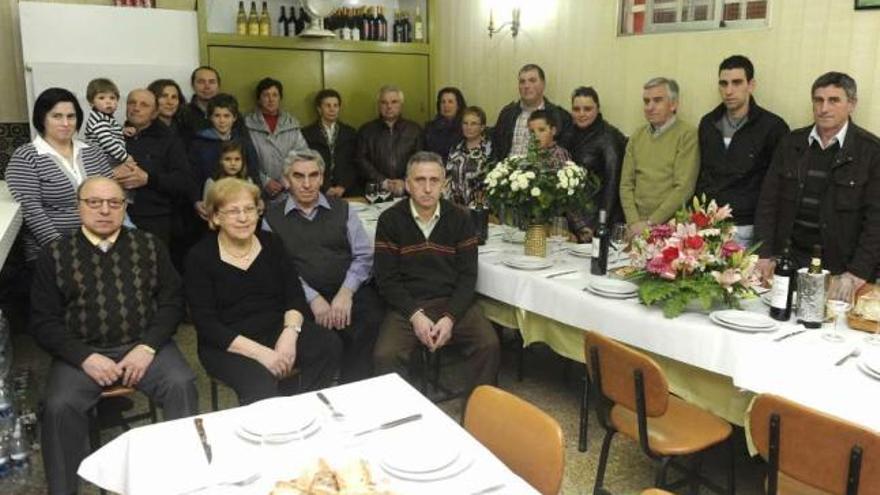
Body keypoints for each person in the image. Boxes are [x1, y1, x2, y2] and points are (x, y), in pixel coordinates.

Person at [30, 176, 198, 495]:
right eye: (94, 202)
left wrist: (147, 347)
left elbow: (173, 301)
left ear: (124, 207)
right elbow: (43, 322)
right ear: (78, 207)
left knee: (182, 384)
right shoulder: (53, 254)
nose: (104, 210)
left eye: (114, 203)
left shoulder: (149, 245)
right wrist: (84, 357)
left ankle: (185, 480)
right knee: (58, 405)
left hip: (144, 346)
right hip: (83, 353)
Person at [185, 178, 341, 405]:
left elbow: (295, 296)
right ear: (216, 217)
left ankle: (299, 409)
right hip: (227, 344)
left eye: (249, 209)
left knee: (328, 346)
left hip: (275, 329)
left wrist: (289, 335)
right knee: (260, 384)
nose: (243, 217)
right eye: (233, 211)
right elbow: (207, 324)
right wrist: (262, 354)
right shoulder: (199, 257)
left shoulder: (272, 243)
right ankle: (273, 429)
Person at [373, 151, 500, 396]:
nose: (428, 188)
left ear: (444, 184)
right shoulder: (390, 220)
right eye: (420, 180)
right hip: (408, 305)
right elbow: (386, 279)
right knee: (384, 355)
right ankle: (397, 418)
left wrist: (450, 317)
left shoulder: (460, 218)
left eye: (434, 180)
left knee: (489, 344)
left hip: (451, 302)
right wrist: (415, 316)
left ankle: (479, 416)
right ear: (408, 184)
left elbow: (467, 276)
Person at [755, 72, 880, 301]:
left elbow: (876, 221)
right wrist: (763, 254)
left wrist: (858, 272)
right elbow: (768, 201)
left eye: (834, 100)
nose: (824, 108)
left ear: (851, 104)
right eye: (818, 100)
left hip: (840, 272)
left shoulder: (871, 151)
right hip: (787, 263)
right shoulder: (791, 143)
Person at [264, 150, 383, 382]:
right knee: (319, 342)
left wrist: (346, 292)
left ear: (322, 178)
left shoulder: (343, 209)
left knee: (371, 319)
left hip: (346, 290)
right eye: (298, 176)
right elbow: (277, 271)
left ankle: (352, 390)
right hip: (298, 297)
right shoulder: (272, 218)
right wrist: (312, 298)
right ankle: (314, 397)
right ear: (286, 180)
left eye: (313, 175)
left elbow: (363, 256)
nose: (307, 184)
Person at [6, 87, 113, 264]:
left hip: (101, 244)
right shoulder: (26, 156)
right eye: (56, 116)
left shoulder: (93, 151)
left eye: (71, 116)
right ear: (42, 119)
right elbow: (32, 211)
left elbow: (113, 197)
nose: (65, 123)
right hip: (53, 252)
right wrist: (65, 251)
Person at [696, 55, 789, 247]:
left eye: (737, 83)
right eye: (723, 84)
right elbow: (702, 172)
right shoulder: (708, 123)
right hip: (707, 223)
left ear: (751, 85)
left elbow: (777, 185)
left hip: (747, 226)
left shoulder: (773, 127)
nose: (729, 91)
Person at [620, 77, 699, 236]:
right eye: (646, 101)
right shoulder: (637, 135)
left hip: (671, 227)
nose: (650, 107)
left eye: (657, 100)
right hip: (635, 226)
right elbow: (626, 184)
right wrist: (634, 222)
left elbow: (684, 188)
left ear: (673, 104)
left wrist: (650, 223)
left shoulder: (687, 135)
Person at [118, 89, 194, 245]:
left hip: (154, 221)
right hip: (115, 217)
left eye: (144, 105)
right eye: (132, 103)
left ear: (154, 113)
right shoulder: (114, 136)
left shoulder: (169, 140)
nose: (136, 108)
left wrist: (149, 179)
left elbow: (185, 181)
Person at [561, 86, 627, 232]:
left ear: (598, 109)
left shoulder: (609, 138)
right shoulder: (568, 133)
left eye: (587, 109)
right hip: (571, 217)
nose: (581, 114)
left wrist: (600, 225)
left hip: (596, 220)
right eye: (576, 109)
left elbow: (613, 185)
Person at [244, 77, 309, 202]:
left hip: (288, 189)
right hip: (256, 191)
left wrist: (288, 177)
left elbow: (303, 155)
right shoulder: (247, 124)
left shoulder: (292, 123)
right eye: (266, 95)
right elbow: (243, 159)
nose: (271, 99)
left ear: (280, 98)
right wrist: (264, 180)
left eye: (275, 95)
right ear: (259, 99)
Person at [492, 63, 572, 161]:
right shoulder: (507, 114)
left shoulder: (559, 116)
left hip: (543, 173)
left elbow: (563, 153)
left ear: (543, 84)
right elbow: (496, 148)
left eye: (532, 81)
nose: (526, 86)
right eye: (522, 82)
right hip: (507, 171)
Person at [356, 85, 423, 197]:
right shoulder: (366, 130)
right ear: (378, 105)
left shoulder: (415, 130)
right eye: (384, 102)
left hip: (408, 190)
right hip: (376, 192)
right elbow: (360, 160)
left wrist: (404, 181)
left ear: (401, 105)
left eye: (394, 102)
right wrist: (383, 182)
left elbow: (420, 159)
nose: (389, 106)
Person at [189, 93, 262, 195]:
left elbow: (254, 171)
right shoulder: (199, 143)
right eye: (217, 116)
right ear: (210, 117)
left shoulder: (243, 142)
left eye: (226, 116)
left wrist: (260, 198)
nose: (222, 121)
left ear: (234, 117)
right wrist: (196, 200)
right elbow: (193, 176)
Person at [302, 89, 360, 198]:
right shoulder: (307, 134)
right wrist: (325, 187)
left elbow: (355, 163)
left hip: (347, 190)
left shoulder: (350, 132)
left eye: (335, 105)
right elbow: (306, 164)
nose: (332, 109)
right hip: (317, 190)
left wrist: (343, 186)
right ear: (319, 109)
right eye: (327, 105)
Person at [445, 106, 493, 206]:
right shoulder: (455, 149)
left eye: (473, 124)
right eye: (465, 123)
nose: (468, 127)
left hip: (480, 207)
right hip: (455, 207)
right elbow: (448, 178)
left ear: (482, 127)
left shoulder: (490, 150)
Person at [83, 78, 135, 167]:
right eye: (101, 98)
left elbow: (110, 130)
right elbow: (108, 142)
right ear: (91, 103)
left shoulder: (104, 117)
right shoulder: (99, 120)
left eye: (112, 98)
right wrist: (125, 157)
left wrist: (122, 130)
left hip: (109, 157)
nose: (108, 102)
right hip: (104, 159)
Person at [199, 141, 252, 211]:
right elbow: (208, 209)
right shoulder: (212, 183)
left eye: (237, 159)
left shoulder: (247, 181)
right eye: (227, 159)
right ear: (220, 161)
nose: (233, 163)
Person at [179, 65, 221, 145]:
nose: (207, 86)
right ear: (192, 85)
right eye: (201, 82)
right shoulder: (182, 112)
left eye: (211, 82)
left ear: (218, 86)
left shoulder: (230, 112)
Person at [424, 87, 466, 161]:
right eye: (443, 102)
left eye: (450, 102)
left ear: (458, 105)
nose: (446, 106)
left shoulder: (465, 126)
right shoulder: (430, 127)